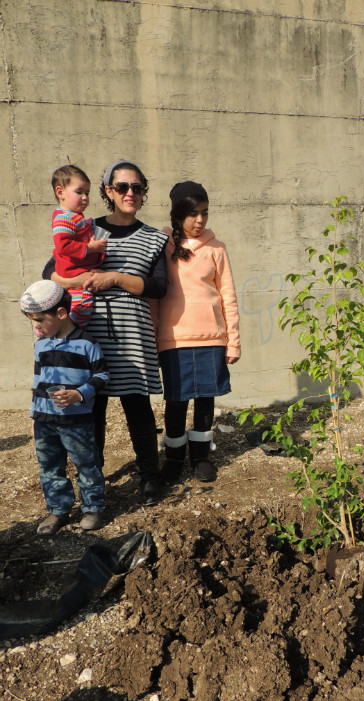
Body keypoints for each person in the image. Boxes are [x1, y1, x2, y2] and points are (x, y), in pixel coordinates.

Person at [44, 159, 169, 505]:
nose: (130, 193)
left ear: (143, 193)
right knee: (90, 411)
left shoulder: (155, 238)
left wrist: (113, 278)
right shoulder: (86, 230)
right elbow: (50, 272)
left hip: (133, 336)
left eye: (137, 187)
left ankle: (148, 477)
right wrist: (79, 281)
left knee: (138, 409)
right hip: (88, 337)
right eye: (122, 186)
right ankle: (92, 480)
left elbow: (158, 287)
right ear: (108, 192)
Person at [154, 181, 241, 482]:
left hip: (212, 338)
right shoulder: (161, 245)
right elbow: (154, 297)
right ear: (178, 214)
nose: (200, 220)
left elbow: (228, 295)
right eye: (192, 214)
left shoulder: (217, 248)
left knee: (206, 397)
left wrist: (233, 342)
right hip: (173, 339)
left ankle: (201, 457)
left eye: (204, 213)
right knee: (176, 400)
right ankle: (174, 456)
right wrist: (151, 341)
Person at [20, 281, 109, 535]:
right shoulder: (41, 345)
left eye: (39, 320)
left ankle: (92, 507)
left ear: (61, 313)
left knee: (86, 463)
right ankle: (58, 509)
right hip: (44, 420)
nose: (36, 327)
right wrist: (33, 416)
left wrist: (79, 394)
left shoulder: (87, 344)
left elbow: (102, 376)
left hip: (76, 421)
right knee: (49, 466)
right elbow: (37, 383)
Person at [51, 164, 107, 327]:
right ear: (60, 192)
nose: (85, 197)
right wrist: (90, 248)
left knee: (81, 303)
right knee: (81, 305)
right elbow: (63, 245)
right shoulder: (64, 218)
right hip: (72, 272)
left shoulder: (74, 216)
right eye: (79, 192)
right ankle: (66, 329)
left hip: (76, 271)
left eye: (87, 193)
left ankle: (69, 329)